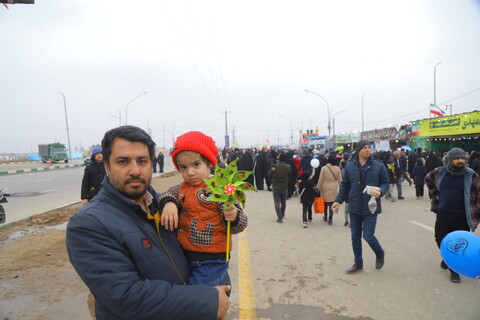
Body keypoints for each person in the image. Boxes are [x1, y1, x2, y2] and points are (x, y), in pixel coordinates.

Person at [67, 126, 230, 320]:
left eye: (142, 161)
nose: (135, 170)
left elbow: (203, 253)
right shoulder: (89, 224)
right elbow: (126, 296)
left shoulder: (167, 206)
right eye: (123, 161)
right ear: (107, 166)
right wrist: (207, 301)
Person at [159, 131, 248, 287]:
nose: (190, 172)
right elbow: (167, 193)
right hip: (185, 254)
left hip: (211, 259)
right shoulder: (181, 187)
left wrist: (233, 217)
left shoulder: (220, 190)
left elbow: (240, 225)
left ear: (209, 164)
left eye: (196, 164)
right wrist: (169, 203)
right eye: (183, 167)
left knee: (199, 297)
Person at [332, 140, 390, 274]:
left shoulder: (378, 166)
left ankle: (380, 252)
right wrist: (338, 201)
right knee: (355, 237)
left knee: (368, 236)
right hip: (354, 206)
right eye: (364, 148)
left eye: (369, 148)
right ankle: (358, 263)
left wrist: (381, 191)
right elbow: (344, 186)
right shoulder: (349, 166)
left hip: (371, 206)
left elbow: (386, 183)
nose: (368, 150)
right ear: (358, 150)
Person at [425, 147, 480, 284]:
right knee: (439, 239)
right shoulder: (440, 172)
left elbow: (478, 195)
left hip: (462, 217)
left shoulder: (471, 175)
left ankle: (454, 270)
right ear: (450, 160)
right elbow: (428, 179)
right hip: (443, 214)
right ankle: (447, 258)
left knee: (459, 246)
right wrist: (435, 193)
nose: (460, 161)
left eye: (463, 158)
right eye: (457, 158)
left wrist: (476, 210)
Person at [317, 154, 342, 225]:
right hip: (333, 187)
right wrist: (342, 189)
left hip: (324, 187)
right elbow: (340, 181)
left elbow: (320, 180)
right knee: (332, 204)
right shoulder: (338, 169)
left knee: (324, 203)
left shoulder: (324, 168)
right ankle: (330, 219)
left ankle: (325, 216)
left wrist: (317, 188)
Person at [268, 153, 292, 223]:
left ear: (279, 159)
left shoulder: (275, 166)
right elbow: (290, 175)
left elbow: (269, 175)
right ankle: (283, 214)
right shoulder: (288, 167)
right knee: (283, 201)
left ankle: (279, 218)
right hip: (284, 186)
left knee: (277, 202)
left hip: (276, 186)